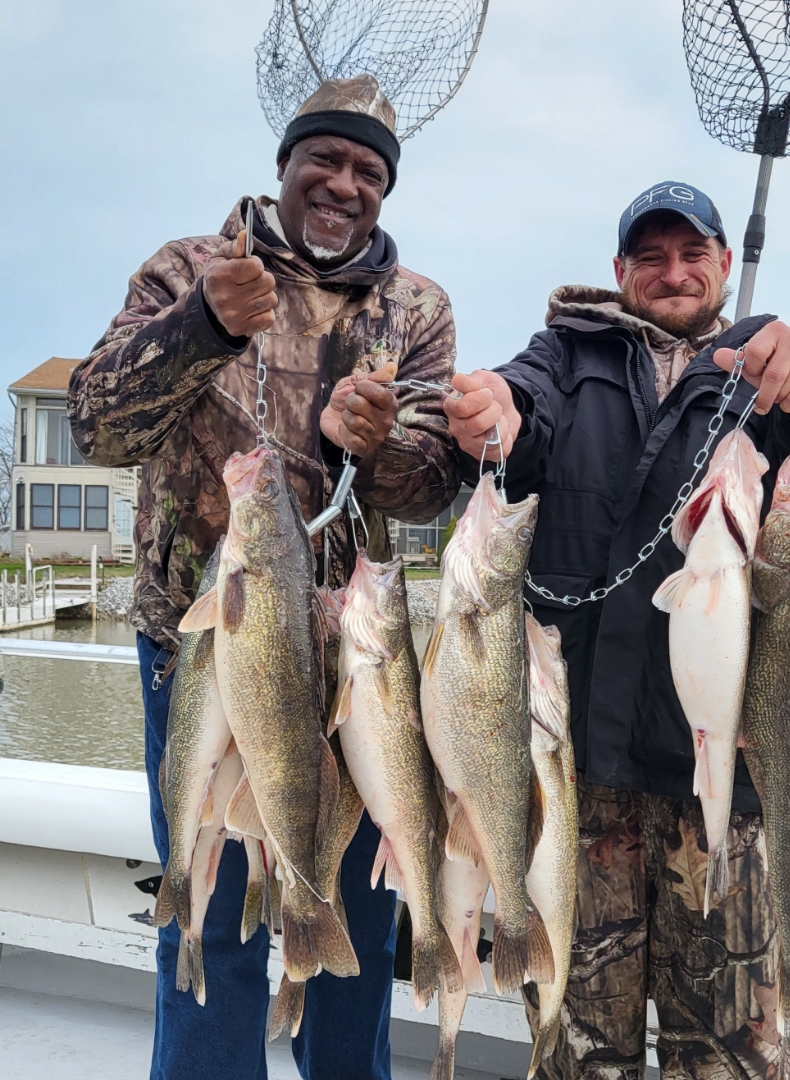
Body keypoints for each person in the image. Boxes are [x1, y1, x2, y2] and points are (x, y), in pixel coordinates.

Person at [444, 182, 790, 1079]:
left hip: (730, 793)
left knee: (725, 1058)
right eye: (652, 256)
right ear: (621, 272)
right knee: (578, 1048)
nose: (674, 272)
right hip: (581, 779)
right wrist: (495, 410)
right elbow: (522, 412)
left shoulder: (766, 366)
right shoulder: (568, 356)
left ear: (725, 265)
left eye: (694, 254)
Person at [68, 75, 461, 1080]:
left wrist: (370, 449)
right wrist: (198, 327)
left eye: (367, 171)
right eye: (322, 160)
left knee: (353, 929)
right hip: (211, 645)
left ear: (386, 189)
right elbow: (97, 426)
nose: (342, 183)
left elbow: (423, 490)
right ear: (284, 165)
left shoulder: (415, 309)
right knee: (213, 914)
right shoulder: (190, 267)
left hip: (358, 668)